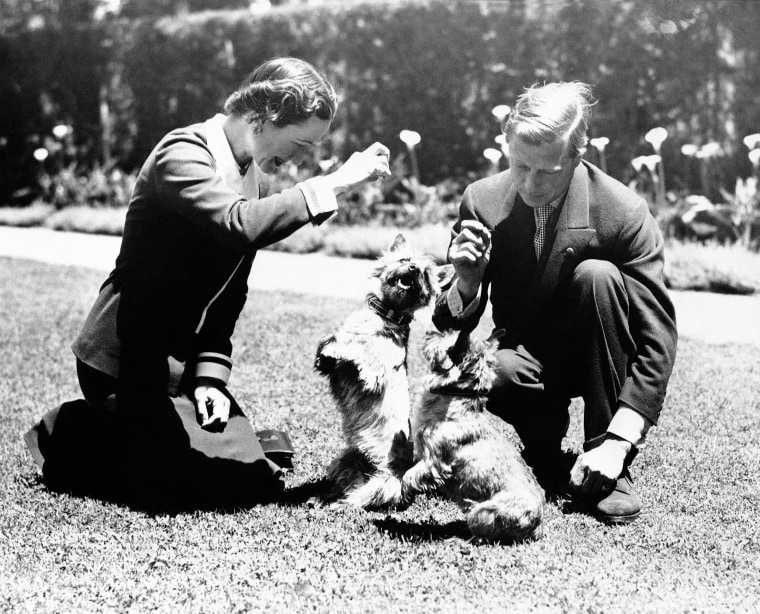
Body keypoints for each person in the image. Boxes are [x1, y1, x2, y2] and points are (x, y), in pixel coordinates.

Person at [24, 57, 391, 505]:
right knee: (169, 489)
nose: (299, 159)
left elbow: (230, 293)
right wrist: (334, 182)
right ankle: (69, 430)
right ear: (260, 117)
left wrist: (209, 379)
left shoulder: (251, 176)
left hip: (175, 366)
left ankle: (159, 430)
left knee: (251, 477)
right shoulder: (182, 153)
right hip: (122, 359)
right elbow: (240, 225)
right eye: (299, 144)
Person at [433, 82, 677, 524]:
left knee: (597, 276)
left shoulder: (623, 211)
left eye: (545, 171)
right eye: (518, 165)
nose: (527, 182)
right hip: (522, 361)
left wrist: (621, 440)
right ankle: (541, 451)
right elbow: (448, 325)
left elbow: (657, 339)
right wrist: (466, 282)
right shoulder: (482, 199)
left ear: (577, 157)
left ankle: (606, 461)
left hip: (598, 356)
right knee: (498, 372)